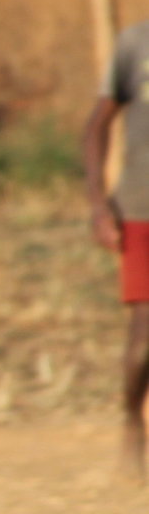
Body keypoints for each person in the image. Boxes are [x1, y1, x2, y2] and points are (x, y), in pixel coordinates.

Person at [83, 24, 149, 476]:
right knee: (145, 336)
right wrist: (98, 202)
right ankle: (132, 420)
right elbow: (98, 123)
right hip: (142, 208)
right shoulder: (136, 43)